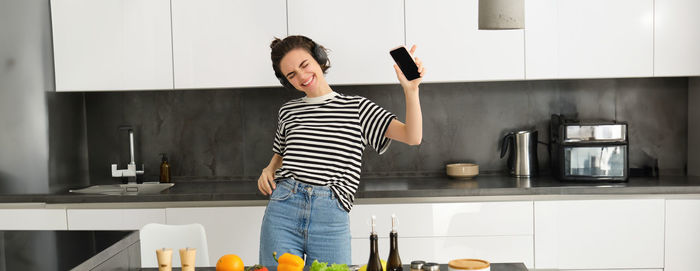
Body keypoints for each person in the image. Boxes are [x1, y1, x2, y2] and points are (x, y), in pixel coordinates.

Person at [258, 35, 425, 266]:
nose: (302, 76)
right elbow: (281, 152)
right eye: (291, 75)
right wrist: (268, 168)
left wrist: (411, 90)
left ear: (319, 59)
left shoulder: (358, 108)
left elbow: (412, 136)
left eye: (304, 65)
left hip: (331, 213)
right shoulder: (288, 111)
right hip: (283, 208)